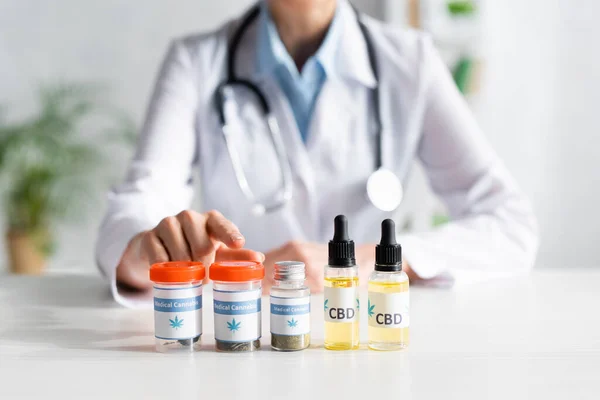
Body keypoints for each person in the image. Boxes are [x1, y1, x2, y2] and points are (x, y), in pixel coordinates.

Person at [96, 0, 538, 307]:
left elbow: (510, 225)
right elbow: (138, 203)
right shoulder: (195, 62)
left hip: (365, 330)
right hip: (243, 333)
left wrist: (370, 259)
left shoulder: (410, 61)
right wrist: (146, 251)